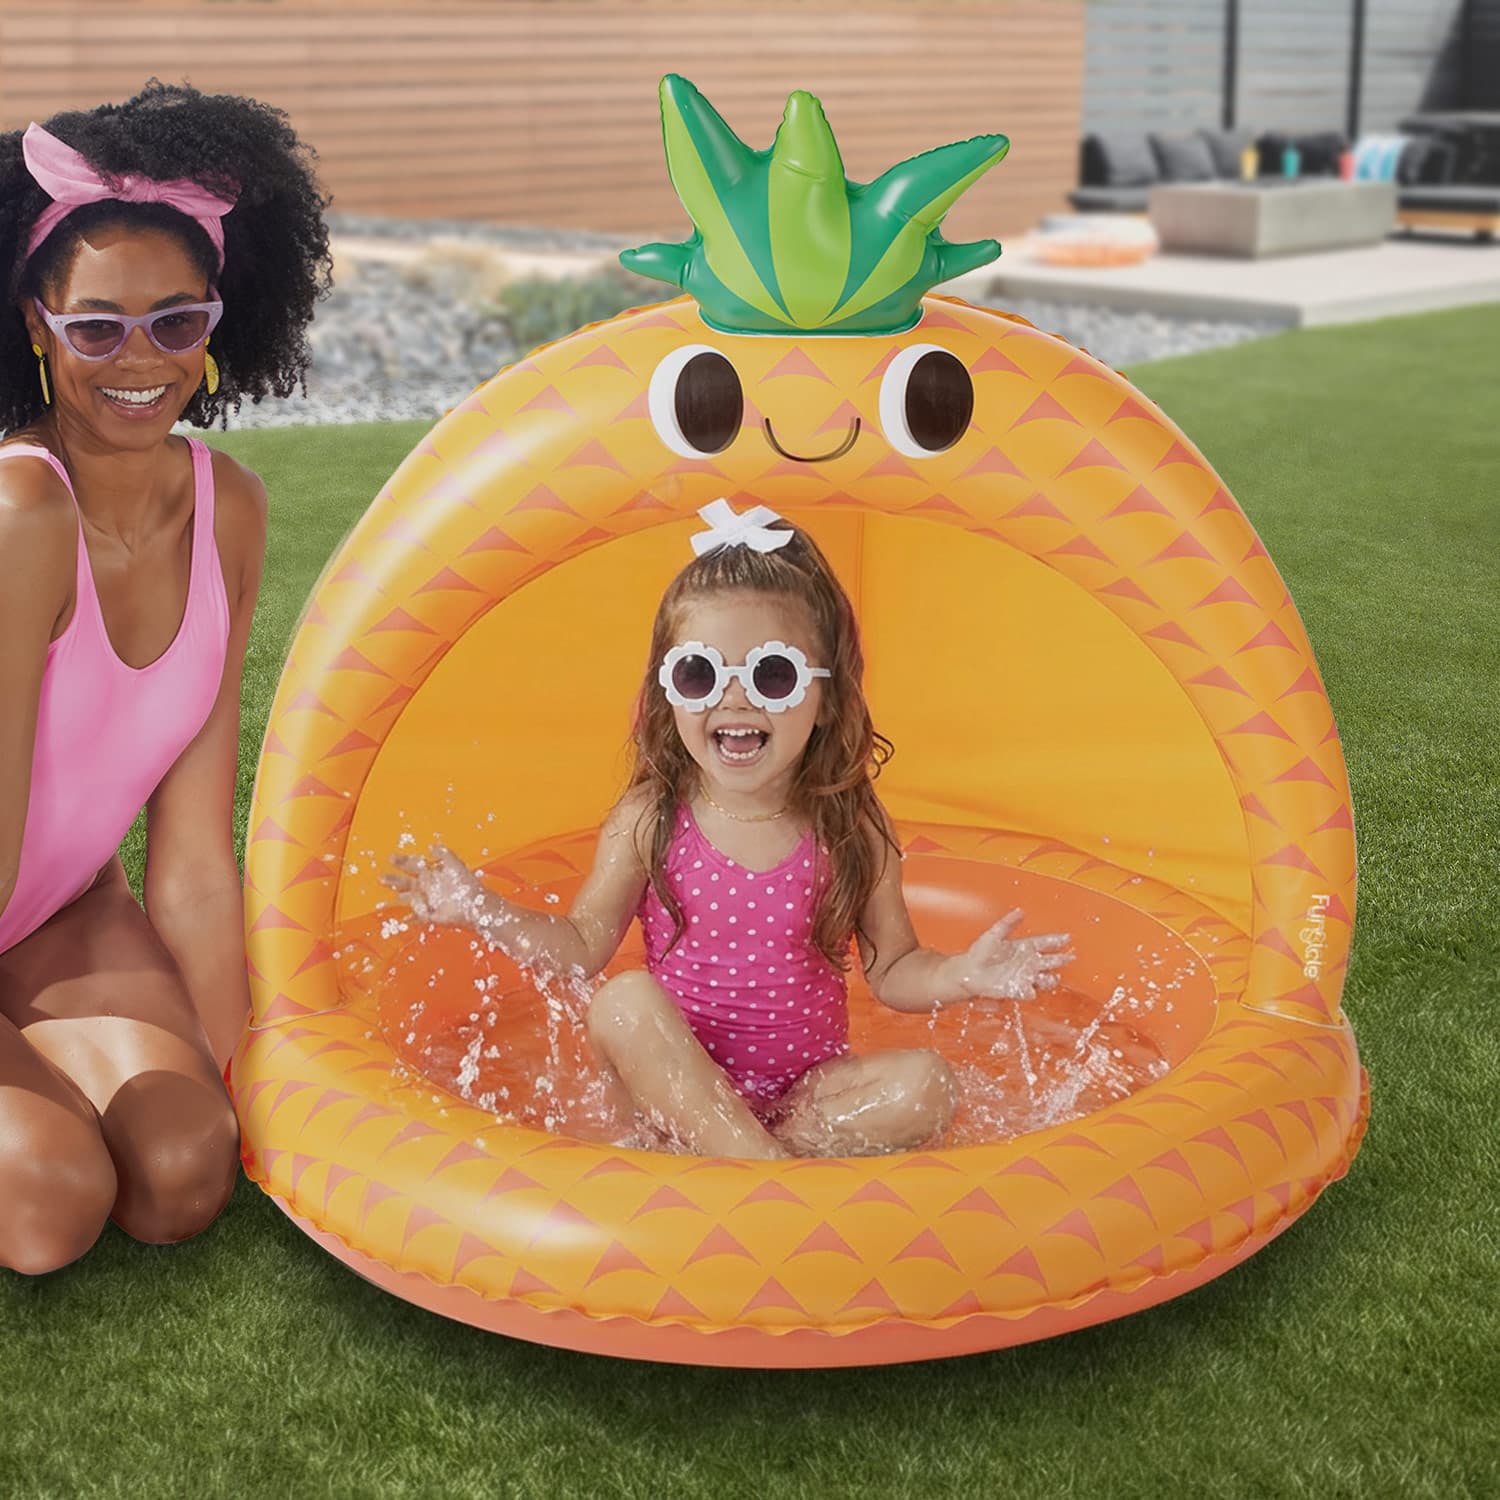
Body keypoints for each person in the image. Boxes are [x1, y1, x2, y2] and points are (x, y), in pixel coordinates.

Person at [385, 500, 1073, 1160]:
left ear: (826, 698)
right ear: (669, 692)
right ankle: (768, 1177)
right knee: (623, 1002)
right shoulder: (651, 819)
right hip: (672, 1098)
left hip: (802, 1104)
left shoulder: (850, 825)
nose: (734, 696)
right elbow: (580, 948)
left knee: (928, 1084)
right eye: (700, 673)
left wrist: (962, 974)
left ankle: (751, 1163)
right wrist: (483, 910)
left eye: (773, 674)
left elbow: (893, 970)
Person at [0, 82, 330, 1273]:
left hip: (57, 913)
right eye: (96, 328)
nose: (139, 360)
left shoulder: (228, 506)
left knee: (187, 1172)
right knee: (50, 1204)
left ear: (217, 325)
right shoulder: (20, 513)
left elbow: (190, 857)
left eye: (175, 322)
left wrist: (248, 1081)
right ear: (38, 326)